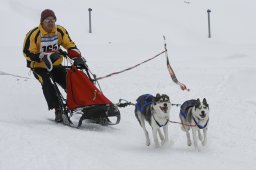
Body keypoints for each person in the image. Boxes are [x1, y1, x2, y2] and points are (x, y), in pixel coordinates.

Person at [23, 9, 87, 122]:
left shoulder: (60, 31)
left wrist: (77, 57)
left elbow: (70, 45)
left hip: (56, 65)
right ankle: (58, 109)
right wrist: (41, 57)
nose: (51, 22)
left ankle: (84, 104)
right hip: (39, 67)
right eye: (48, 20)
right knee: (47, 83)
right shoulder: (34, 34)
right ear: (42, 21)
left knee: (71, 81)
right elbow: (27, 52)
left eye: (53, 20)